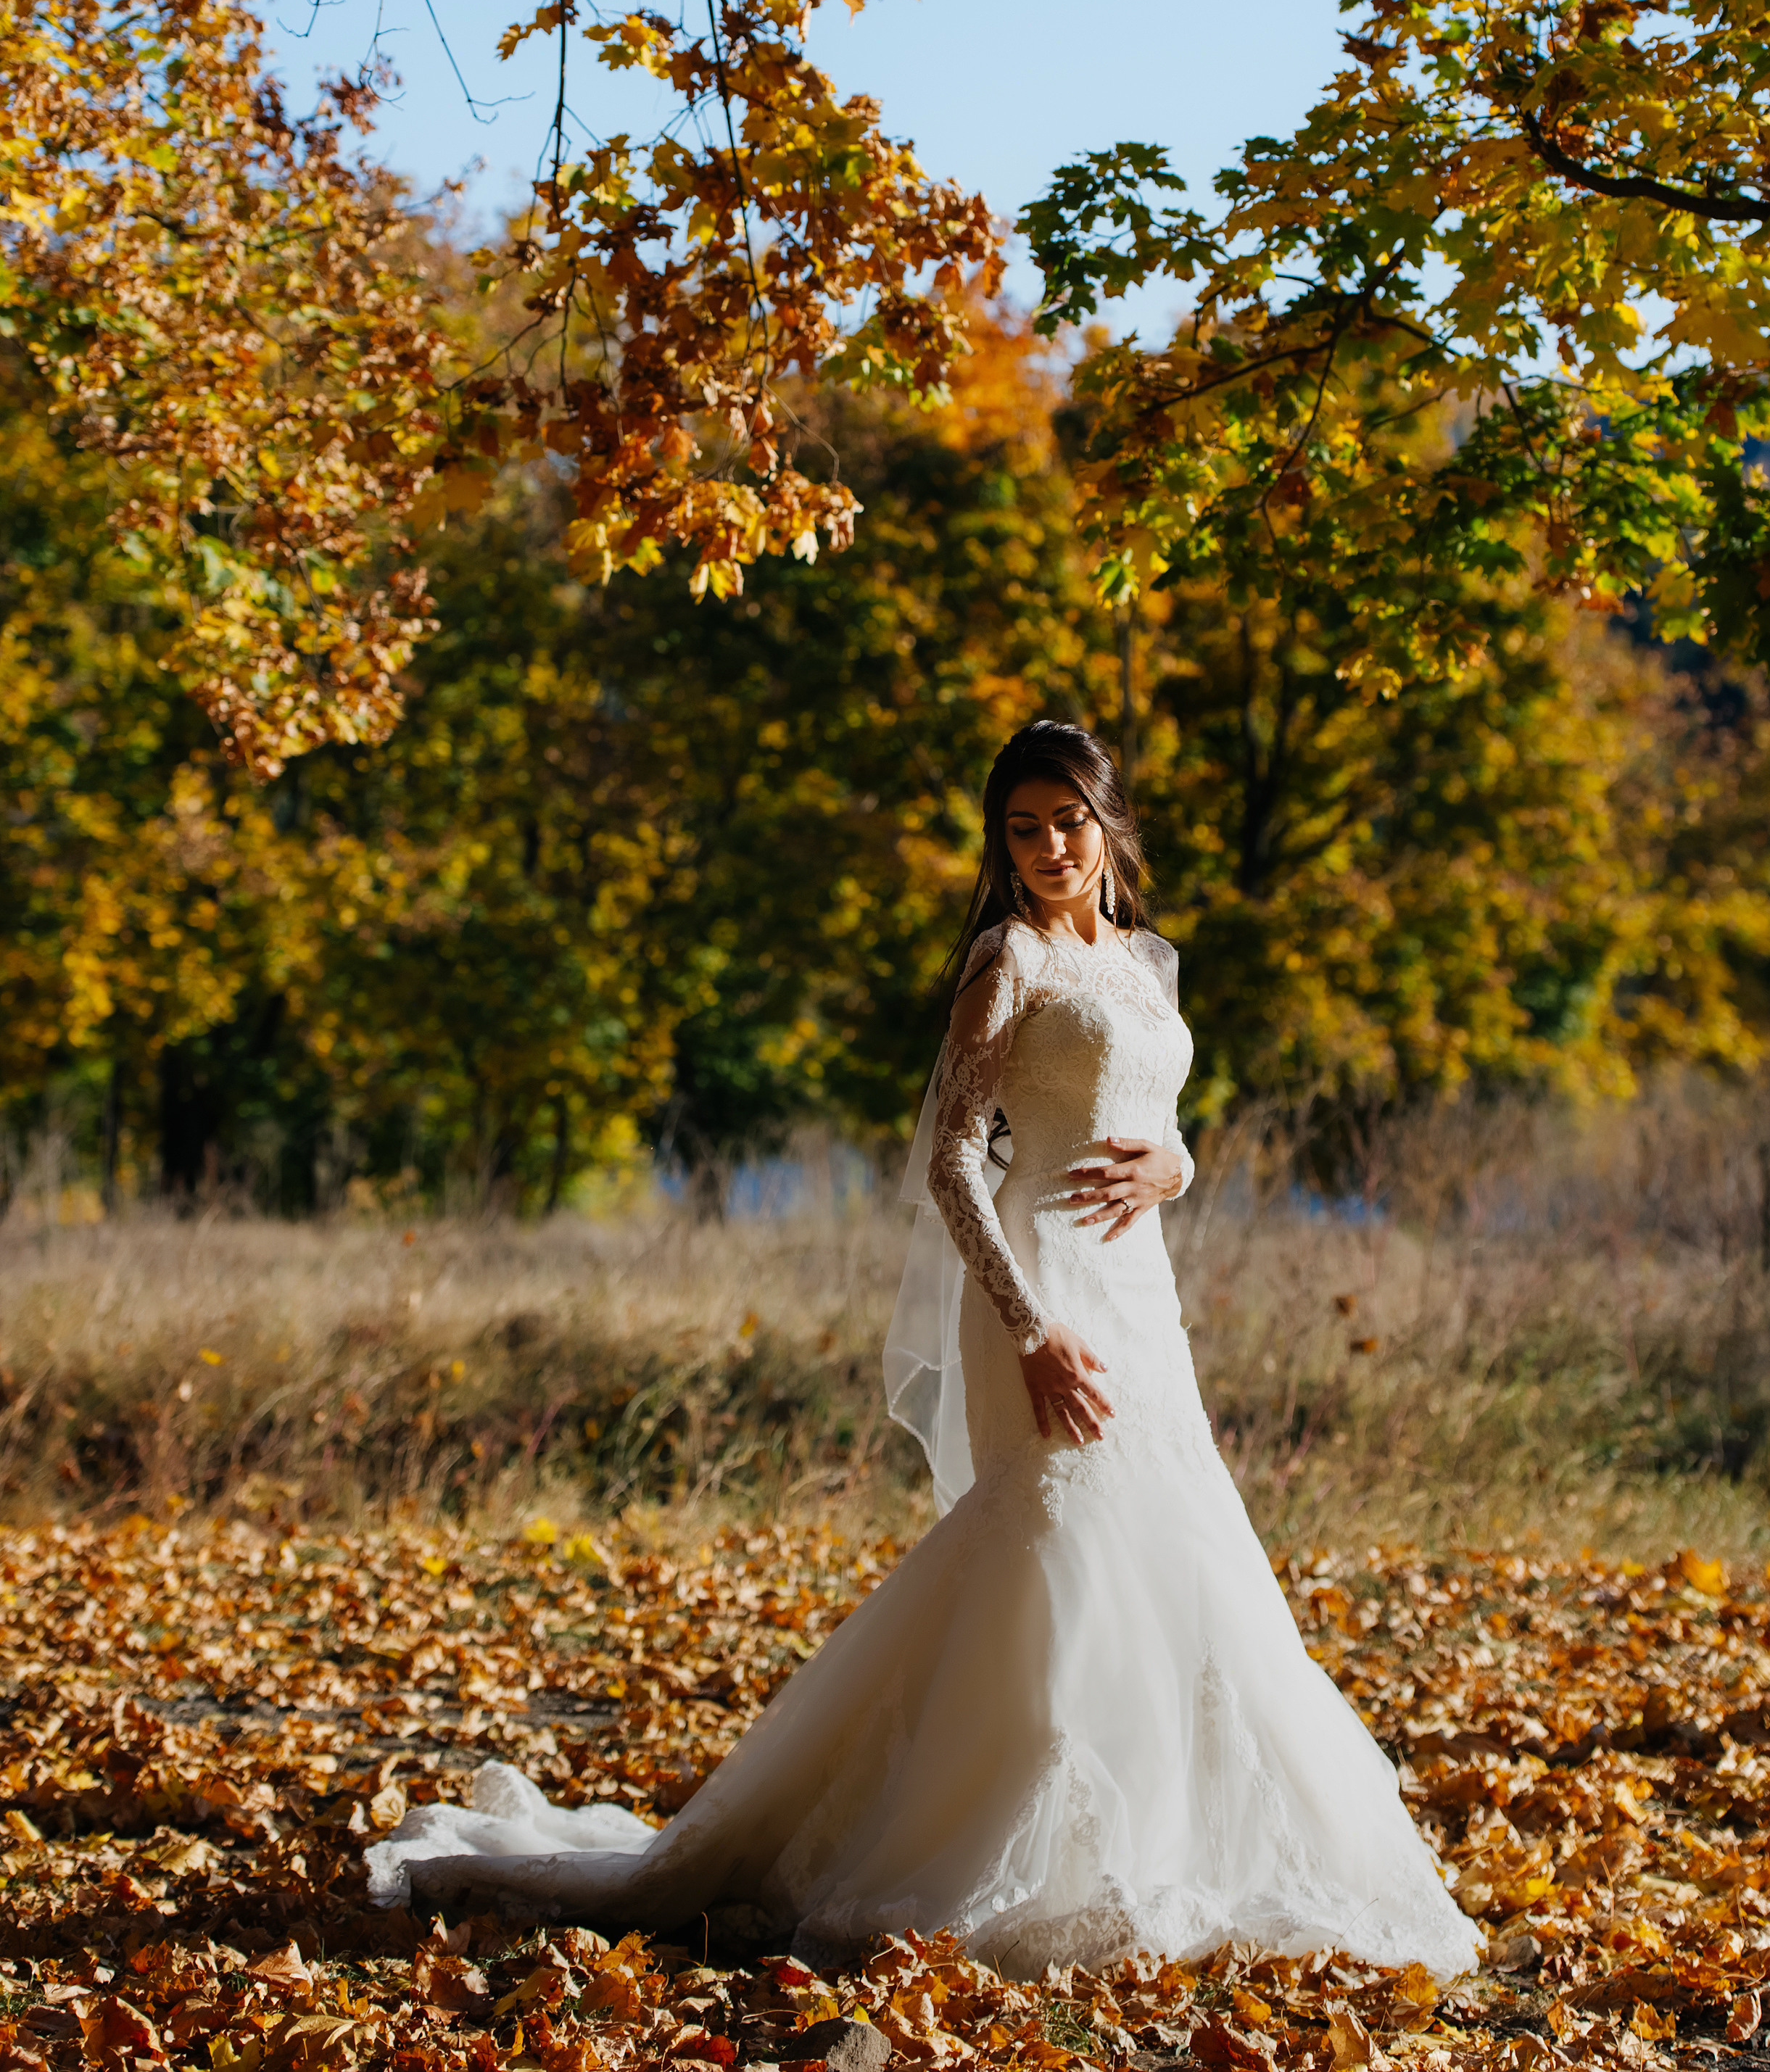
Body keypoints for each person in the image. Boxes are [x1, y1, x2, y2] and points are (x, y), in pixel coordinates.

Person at [368, 721, 1479, 1982]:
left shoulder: (1149, 964)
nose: (1051, 848)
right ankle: (1000, 1840)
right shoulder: (1004, 961)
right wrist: (1030, 1329)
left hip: (1137, 1290)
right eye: (1023, 827)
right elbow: (954, 1164)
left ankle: (1166, 1841)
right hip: (1037, 1285)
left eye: (1069, 821)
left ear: (1110, 824)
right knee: (1056, 1539)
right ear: (1000, 845)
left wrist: (1182, 1163)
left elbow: (1155, 1127)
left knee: (1178, 1547)